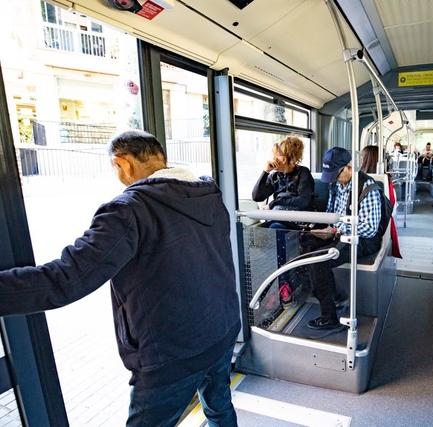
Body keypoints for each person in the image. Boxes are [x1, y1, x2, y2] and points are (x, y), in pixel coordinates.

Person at [0, 130, 241, 426]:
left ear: (123, 163)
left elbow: (65, 280)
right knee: (219, 408)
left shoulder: (129, 210)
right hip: (222, 329)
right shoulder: (208, 194)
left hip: (171, 353)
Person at [302, 147, 382, 330]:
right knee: (305, 243)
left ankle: (328, 315)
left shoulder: (367, 188)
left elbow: (370, 228)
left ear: (348, 167)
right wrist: (320, 227)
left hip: (363, 240)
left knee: (319, 261)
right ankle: (335, 296)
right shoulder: (336, 185)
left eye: (336, 174)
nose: (334, 179)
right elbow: (332, 212)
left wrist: (336, 229)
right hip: (340, 233)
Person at [252, 135, 314, 307]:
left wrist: (275, 202)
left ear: (286, 158)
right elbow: (256, 195)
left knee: (276, 228)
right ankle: (277, 284)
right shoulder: (275, 176)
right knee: (259, 232)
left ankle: (283, 284)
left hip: (296, 221)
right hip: (278, 218)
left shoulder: (303, 174)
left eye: (276, 155)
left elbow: (303, 201)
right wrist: (265, 172)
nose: (273, 159)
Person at [360, 145, 402, 258]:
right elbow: (392, 204)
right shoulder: (386, 180)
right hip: (382, 226)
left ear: (363, 160)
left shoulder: (357, 179)